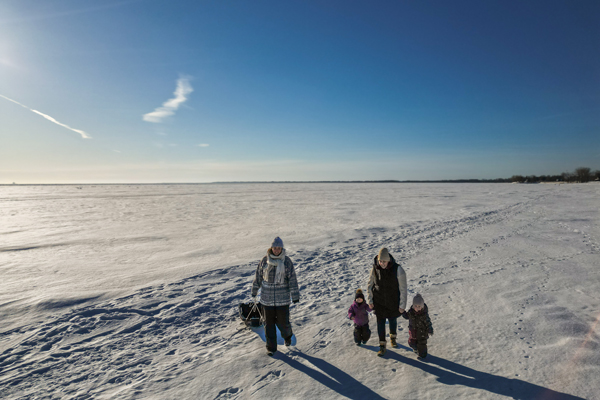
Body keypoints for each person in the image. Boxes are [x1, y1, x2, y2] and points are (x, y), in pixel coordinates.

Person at [251, 237, 300, 356]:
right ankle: (271, 348)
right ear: (271, 248)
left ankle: (287, 336)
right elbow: (258, 277)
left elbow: (292, 279)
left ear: (281, 248)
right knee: (269, 325)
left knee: (283, 323)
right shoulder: (264, 261)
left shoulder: (286, 262)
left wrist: (295, 295)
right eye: (275, 248)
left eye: (279, 248)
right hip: (266, 300)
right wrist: (254, 290)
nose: (277, 250)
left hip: (282, 300)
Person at [367, 247, 407, 357]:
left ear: (388, 260)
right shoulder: (375, 268)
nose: (382, 263)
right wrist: (370, 300)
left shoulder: (398, 269)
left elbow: (403, 289)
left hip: (393, 301)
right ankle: (382, 346)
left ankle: (393, 337)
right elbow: (370, 285)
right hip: (379, 301)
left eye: (384, 261)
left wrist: (402, 305)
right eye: (380, 261)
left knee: (392, 319)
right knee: (380, 323)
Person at [401, 293, 434, 359]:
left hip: (422, 333)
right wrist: (403, 312)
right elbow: (407, 316)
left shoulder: (424, 315)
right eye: (415, 306)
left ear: (422, 307)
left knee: (422, 345)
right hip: (413, 332)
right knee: (411, 343)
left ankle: (422, 355)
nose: (417, 308)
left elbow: (428, 323)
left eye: (419, 306)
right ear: (413, 306)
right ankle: (416, 349)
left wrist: (430, 330)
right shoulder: (411, 312)